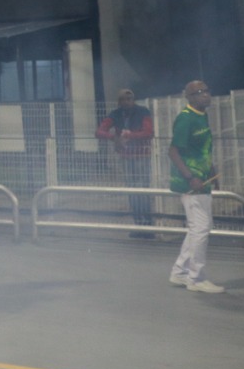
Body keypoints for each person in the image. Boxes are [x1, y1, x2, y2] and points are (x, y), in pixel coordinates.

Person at [168, 80, 224, 292]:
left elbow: (203, 149)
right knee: (200, 229)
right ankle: (197, 278)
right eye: (199, 92)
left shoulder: (202, 116)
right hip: (191, 184)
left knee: (197, 229)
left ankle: (180, 272)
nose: (205, 95)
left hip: (202, 180)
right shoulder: (185, 119)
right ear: (189, 97)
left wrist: (212, 171)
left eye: (207, 91)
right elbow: (173, 151)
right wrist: (190, 176)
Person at [96, 88, 155, 238]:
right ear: (119, 101)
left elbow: (149, 132)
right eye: (123, 99)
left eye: (129, 99)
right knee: (133, 191)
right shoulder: (115, 114)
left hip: (141, 155)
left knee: (142, 190)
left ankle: (147, 225)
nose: (126, 102)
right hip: (127, 156)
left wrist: (130, 136)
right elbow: (99, 131)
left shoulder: (143, 111)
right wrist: (114, 138)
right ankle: (139, 224)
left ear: (133, 100)